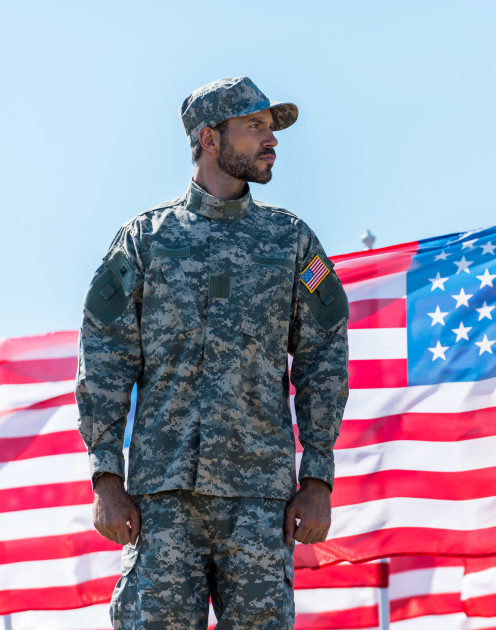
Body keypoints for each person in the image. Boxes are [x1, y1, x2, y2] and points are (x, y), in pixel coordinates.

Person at [76, 76, 349, 629]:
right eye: (254, 127)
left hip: (260, 503)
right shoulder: (144, 240)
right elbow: (103, 359)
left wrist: (317, 478)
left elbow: (325, 359)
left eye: (271, 129)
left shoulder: (293, 242)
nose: (270, 140)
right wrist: (106, 476)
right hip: (162, 500)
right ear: (208, 137)